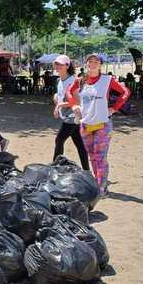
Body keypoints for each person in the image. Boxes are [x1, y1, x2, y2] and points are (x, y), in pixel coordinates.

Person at [64, 53, 131, 195]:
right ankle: (98, 183)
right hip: (86, 124)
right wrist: (73, 105)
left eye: (96, 61)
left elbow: (125, 91)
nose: (93, 63)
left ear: (100, 65)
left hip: (102, 124)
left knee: (100, 156)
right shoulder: (81, 80)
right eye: (90, 61)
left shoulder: (108, 80)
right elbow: (69, 91)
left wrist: (114, 108)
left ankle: (101, 188)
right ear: (86, 63)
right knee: (92, 156)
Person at [51, 55, 89, 170]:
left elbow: (77, 101)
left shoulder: (72, 81)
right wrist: (56, 97)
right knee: (80, 145)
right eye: (56, 64)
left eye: (61, 64)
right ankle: (87, 170)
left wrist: (59, 105)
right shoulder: (60, 80)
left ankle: (55, 168)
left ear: (67, 66)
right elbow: (61, 95)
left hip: (72, 116)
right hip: (68, 116)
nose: (58, 66)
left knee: (59, 140)